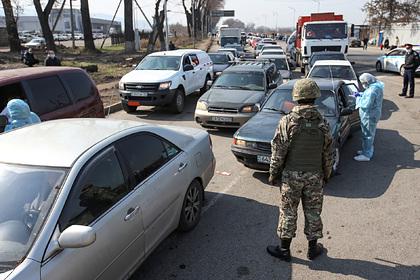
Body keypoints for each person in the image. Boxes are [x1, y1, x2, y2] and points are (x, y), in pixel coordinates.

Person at [267, 79, 334, 262]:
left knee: (288, 211)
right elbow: (328, 152)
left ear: (296, 97)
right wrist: (327, 174)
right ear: (315, 97)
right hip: (315, 176)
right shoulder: (323, 123)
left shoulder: (287, 121)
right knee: (313, 212)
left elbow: (278, 151)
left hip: (291, 176)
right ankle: (313, 249)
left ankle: (283, 249)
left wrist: (273, 173)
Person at [353, 73, 384, 162]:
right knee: (366, 134)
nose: (363, 84)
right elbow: (367, 95)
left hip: (369, 116)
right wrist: (360, 94)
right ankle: (365, 150)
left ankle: (366, 155)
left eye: (363, 82)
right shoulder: (375, 87)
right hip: (371, 115)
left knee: (368, 135)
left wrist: (358, 98)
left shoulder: (372, 90)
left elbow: (366, 104)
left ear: (367, 81)